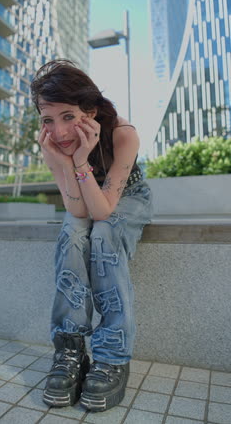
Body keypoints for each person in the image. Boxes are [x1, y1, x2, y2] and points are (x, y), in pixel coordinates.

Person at [31, 59, 152, 412]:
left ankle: (113, 354)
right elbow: (79, 212)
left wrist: (81, 160)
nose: (59, 131)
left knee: (104, 235)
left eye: (68, 116)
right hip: (88, 201)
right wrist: (65, 162)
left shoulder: (123, 134)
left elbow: (103, 212)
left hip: (127, 199)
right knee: (72, 235)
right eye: (48, 120)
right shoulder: (52, 145)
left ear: (91, 111)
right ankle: (69, 350)